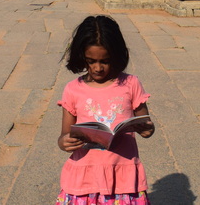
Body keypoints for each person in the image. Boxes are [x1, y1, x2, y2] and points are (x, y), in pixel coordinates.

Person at [56, 15, 155, 205]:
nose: (98, 68)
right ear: (81, 56)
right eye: (90, 61)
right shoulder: (72, 89)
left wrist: (147, 129)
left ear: (117, 56)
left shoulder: (131, 84)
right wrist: (65, 142)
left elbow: (147, 125)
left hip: (123, 177)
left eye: (105, 61)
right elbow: (64, 137)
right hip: (84, 178)